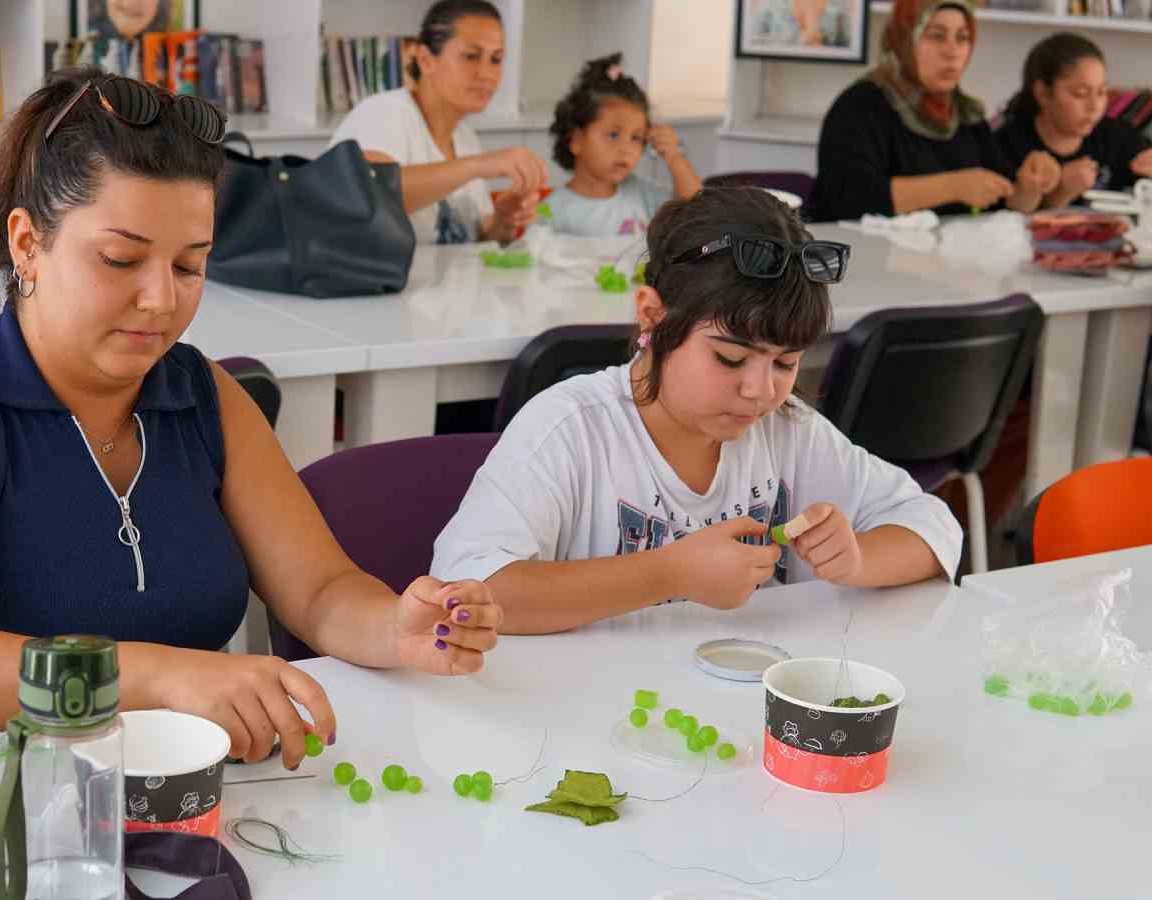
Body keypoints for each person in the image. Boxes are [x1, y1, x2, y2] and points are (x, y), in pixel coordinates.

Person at [0, 70, 504, 769]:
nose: (161, 299)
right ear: (26, 244)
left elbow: (318, 589)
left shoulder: (203, 395)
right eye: (121, 259)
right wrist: (164, 677)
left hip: (171, 796)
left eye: (190, 267)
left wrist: (395, 627)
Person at [431, 187, 962, 635]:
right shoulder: (571, 432)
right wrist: (666, 574)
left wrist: (859, 558)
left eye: (785, 363)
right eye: (730, 358)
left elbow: (933, 527)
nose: (758, 391)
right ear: (653, 316)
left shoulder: (785, 430)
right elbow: (470, 591)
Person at [807, 0, 1061, 221]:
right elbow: (847, 201)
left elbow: (1006, 204)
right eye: (937, 35)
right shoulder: (859, 106)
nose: (952, 52)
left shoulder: (966, 114)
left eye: (962, 38)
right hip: (864, 266)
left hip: (945, 269)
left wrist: (1030, 187)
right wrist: (952, 186)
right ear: (904, 40)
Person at [329, 0, 546, 245]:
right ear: (425, 59)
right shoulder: (384, 113)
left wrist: (503, 220)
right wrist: (479, 165)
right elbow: (370, 194)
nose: (486, 74)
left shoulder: (466, 139)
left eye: (496, 59)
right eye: (471, 56)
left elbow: (478, 245)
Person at [997, 33, 1152, 206]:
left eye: (1101, 92)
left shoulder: (1114, 135)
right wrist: (1061, 192)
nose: (1094, 106)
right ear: (1042, 93)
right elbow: (1007, 217)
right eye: (1080, 94)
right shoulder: (1008, 141)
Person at [544, 53, 701, 237]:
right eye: (613, 135)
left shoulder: (643, 195)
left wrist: (674, 156)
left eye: (636, 138)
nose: (626, 149)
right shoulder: (552, 210)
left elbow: (694, 208)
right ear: (576, 140)